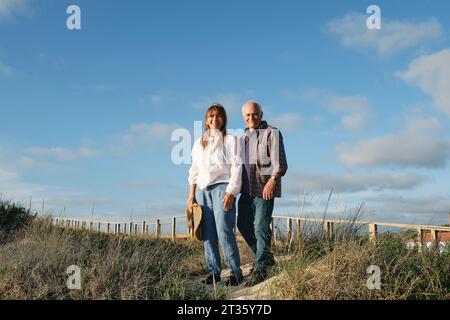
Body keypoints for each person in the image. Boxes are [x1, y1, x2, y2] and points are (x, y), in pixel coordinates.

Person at [187, 103, 244, 286]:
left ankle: (235, 273)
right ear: (206, 120)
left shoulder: (231, 140)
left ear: (224, 119)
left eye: (219, 116)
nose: (214, 119)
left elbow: (236, 166)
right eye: (211, 116)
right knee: (208, 233)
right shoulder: (198, 144)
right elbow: (194, 172)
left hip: (223, 187)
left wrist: (231, 192)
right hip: (203, 192)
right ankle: (214, 273)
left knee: (224, 230)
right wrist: (191, 197)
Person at [237, 101, 288, 285]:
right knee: (242, 224)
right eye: (248, 115)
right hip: (246, 191)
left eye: (254, 114)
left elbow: (279, 161)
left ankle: (261, 268)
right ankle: (266, 258)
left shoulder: (272, 132)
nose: (251, 118)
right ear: (243, 117)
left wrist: (273, 180)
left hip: (264, 188)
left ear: (261, 114)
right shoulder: (242, 138)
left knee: (260, 227)